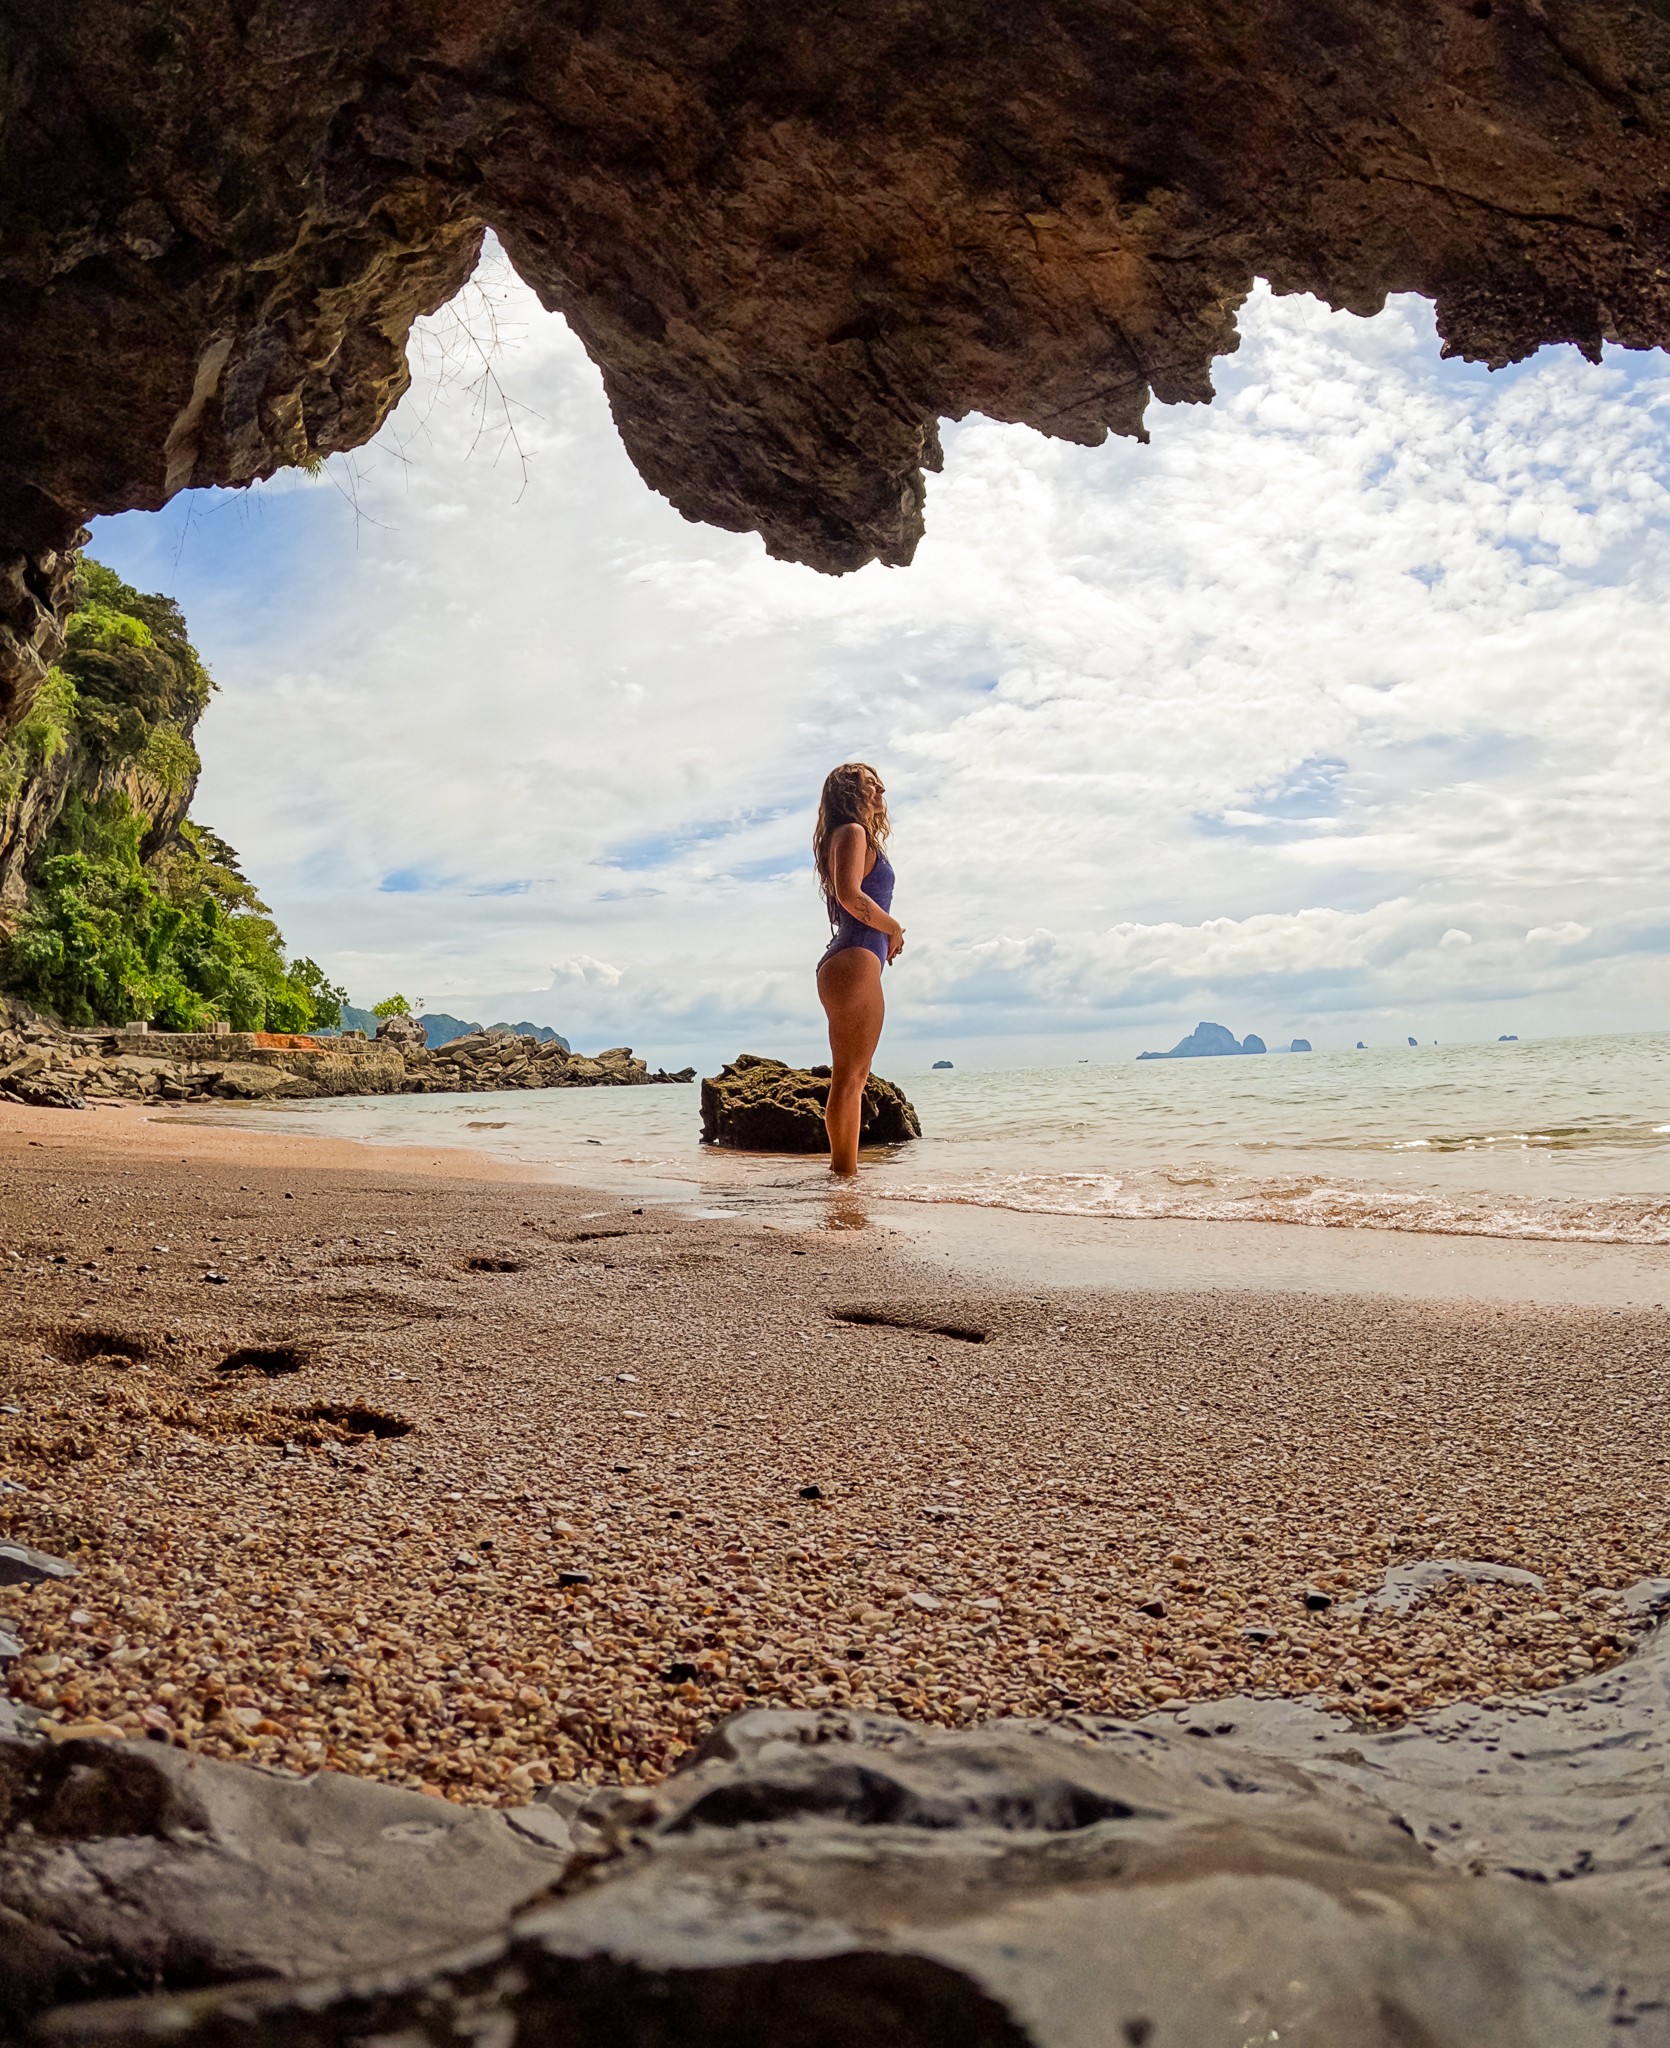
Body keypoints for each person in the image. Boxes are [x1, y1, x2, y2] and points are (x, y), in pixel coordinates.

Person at [813, 761, 904, 1175]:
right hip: (853, 958)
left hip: (851, 960)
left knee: (854, 1076)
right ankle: (844, 1175)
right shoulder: (852, 831)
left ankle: (844, 1172)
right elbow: (851, 896)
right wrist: (893, 928)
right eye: (871, 785)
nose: (881, 790)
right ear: (849, 792)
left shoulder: (852, 835)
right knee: (850, 1078)